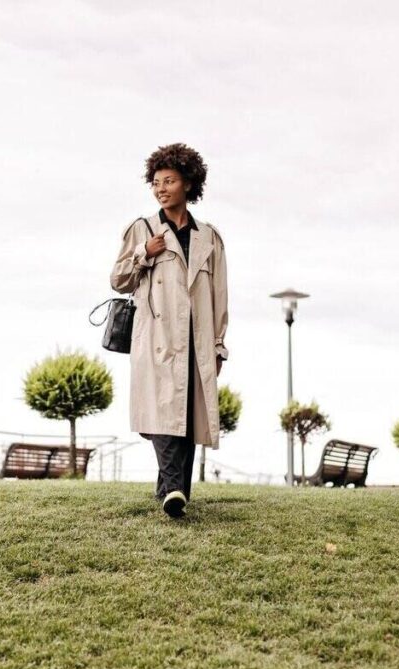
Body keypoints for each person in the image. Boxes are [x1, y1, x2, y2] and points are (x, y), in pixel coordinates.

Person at [110, 143, 229, 518]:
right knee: (163, 411)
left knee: (188, 416)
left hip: (196, 338)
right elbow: (118, 280)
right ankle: (175, 489)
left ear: (188, 184)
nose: (161, 188)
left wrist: (219, 345)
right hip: (157, 337)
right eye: (156, 182)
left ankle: (171, 489)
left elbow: (219, 294)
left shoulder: (209, 237)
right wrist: (144, 252)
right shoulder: (142, 229)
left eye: (169, 181)